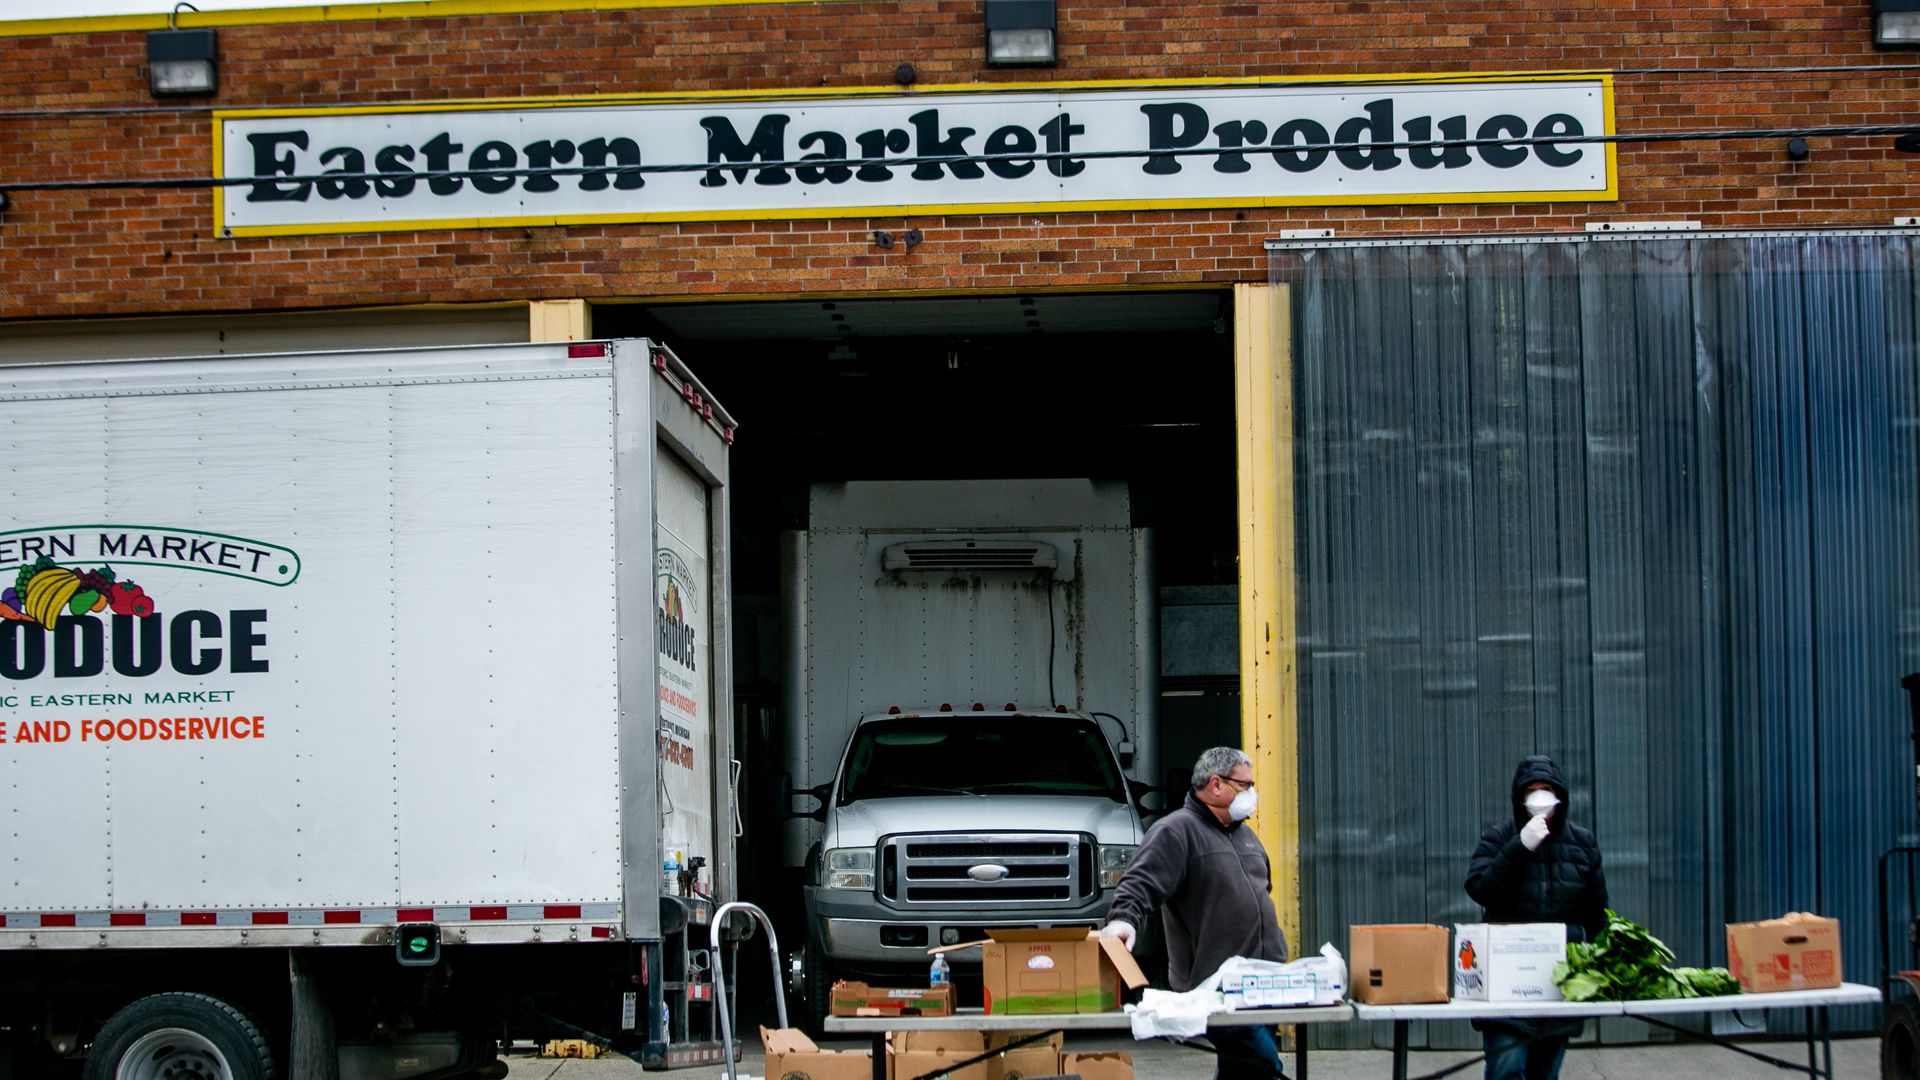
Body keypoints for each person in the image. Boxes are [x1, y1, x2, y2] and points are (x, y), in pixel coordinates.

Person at [1099, 747, 1290, 1080]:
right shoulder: (1176, 832)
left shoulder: (1245, 835)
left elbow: (1261, 892)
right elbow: (1139, 882)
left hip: (1263, 982)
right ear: (1216, 785)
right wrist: (1122, 920)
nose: (1252, 793)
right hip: (1215, 988)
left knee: (1241, 1071)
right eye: (1246, 785)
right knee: (1263, 1065)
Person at [1464, 755, 1610, 1080]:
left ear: (1561, 796)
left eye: (1547, 790)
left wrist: (1608, 967)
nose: (1540, 798)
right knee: (1507, 1070)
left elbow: (1597, 914)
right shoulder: (1499, 838)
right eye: (1532, 791)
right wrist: (1519, 847)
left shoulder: (1582, 844)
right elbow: (1479, 888)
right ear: (1520, 798)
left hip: (1556, 985)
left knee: (1545, 1075)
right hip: (1507, 987)